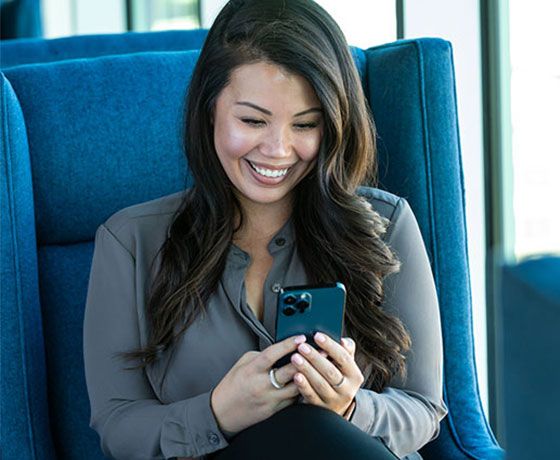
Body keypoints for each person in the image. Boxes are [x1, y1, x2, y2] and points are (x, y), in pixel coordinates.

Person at [83, 0, 448, 459]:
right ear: (209, 110)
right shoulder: (130, 241)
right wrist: (218, 412)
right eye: (253, 120)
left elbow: (423, 407)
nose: (277, 151)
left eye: (305, 125)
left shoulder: (385, 224)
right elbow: (118, 425)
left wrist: (352, 408)